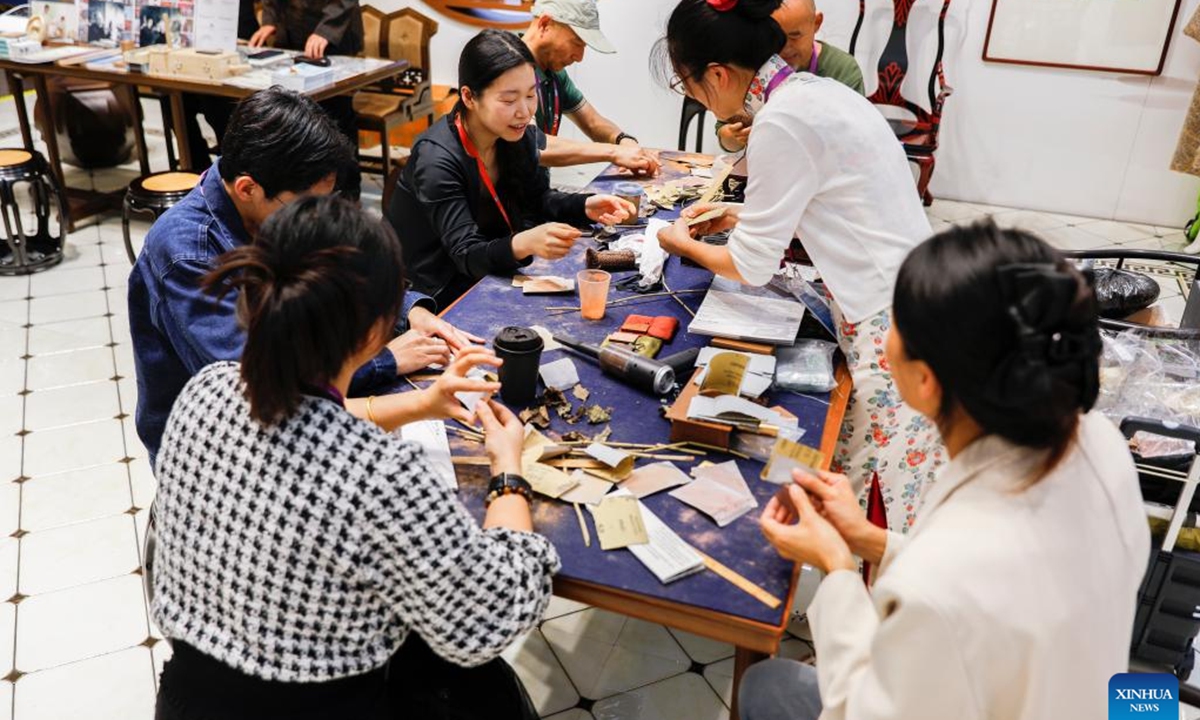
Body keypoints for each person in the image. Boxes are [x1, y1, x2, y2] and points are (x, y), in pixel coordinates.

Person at [151, 194, 558, 719]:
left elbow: (305, 422)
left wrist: (421, 402)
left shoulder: (206, 390)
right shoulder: (382, 475)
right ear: (375, 334)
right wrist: (508, 472)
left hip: (188, 703)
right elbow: (487, 618)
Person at [738, 220, 1149, 720]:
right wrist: (868, 539)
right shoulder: (1098, 442)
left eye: (895, 323)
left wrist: (838, 568)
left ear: (926, 379)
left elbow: (863, 709)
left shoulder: (939, 584)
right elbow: (1004, 591)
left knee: (769, 686)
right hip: (1077, 696)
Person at [655, 0, 941, 531]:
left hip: (892, 321)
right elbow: (831, 200)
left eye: (687, 85)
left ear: (717, 75)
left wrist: (680, 242)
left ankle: (862, 599)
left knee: (881, 490)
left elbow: (750, 266)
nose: (693, 95)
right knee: (861, 464)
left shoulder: (781, 121)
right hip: (913, 292)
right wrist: (741, 213)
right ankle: (849, 588)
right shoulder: (815, 92)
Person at [129, 87, 481, 467]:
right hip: (214, 450)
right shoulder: (187, 252)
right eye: (307, 204)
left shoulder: (273, 205)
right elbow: (262, 383)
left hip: (291, 411)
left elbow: (350, 266)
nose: (317, 217)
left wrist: (406, 311)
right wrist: (386, 358)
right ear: (248, 188)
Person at [387, 29, 634, 308]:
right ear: (469, 97)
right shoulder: (437, 159)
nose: (525, 111)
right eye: (508, 100)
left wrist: (585, 205)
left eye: (531, 95)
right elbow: (466, 253)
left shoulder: (515, 136)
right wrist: (523, 243)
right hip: (429, 291)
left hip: (488, 270)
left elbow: (537, 200)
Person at [522, 0, 660, 176]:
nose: (579, 57)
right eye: (577, 42)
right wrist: (614, 153)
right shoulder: (510, 68)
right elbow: (535, 144)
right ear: (545, 24)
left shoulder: (555, 74)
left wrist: (626, 143)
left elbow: (593, 122)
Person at [714, 0, 865, 152]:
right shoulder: (754, 66)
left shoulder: (841, 70)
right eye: (773, 36)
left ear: (816, 23)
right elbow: (726, 130)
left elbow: (853, 138)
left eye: (794, 36)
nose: (784, 47)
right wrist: (730, 137)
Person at [249, 0, 363, 143]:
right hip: (292, 32)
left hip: (333, 35)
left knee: (334, 116)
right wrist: (270, 20)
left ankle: (341, 163)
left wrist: (326, 31)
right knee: (289, 110)